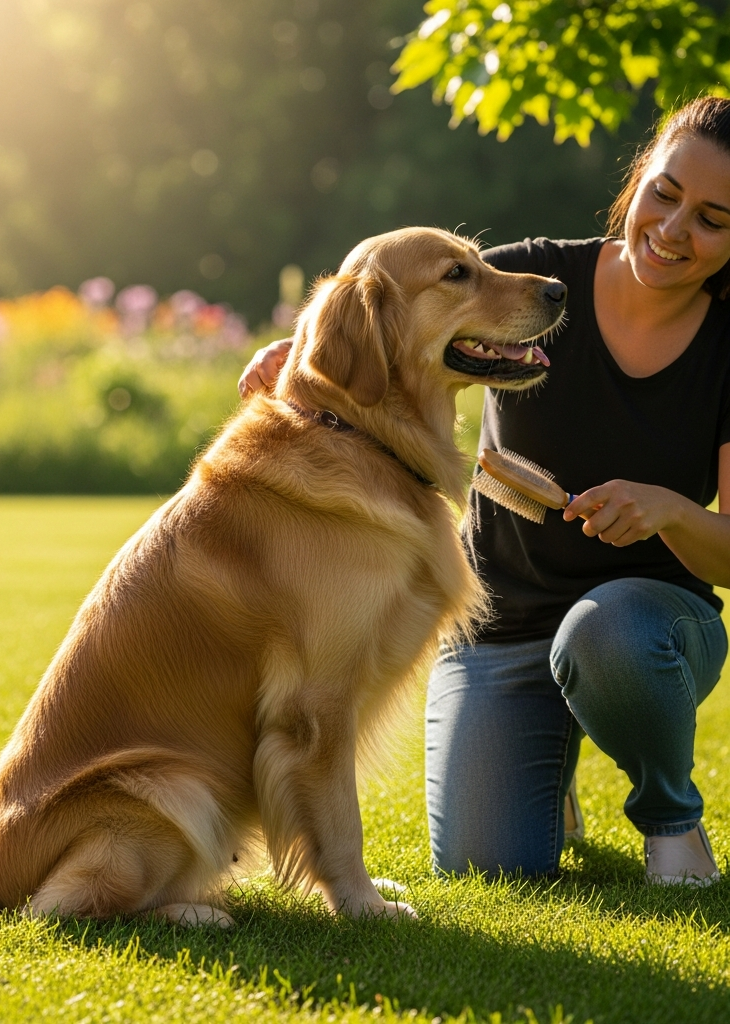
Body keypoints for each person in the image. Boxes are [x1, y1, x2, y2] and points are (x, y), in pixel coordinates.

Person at [239, 96, 730, 885]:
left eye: (712, 219)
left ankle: (671, 818)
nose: (673, 229)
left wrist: (670, 510)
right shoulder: (535, 279)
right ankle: (548, 771)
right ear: (639, 179)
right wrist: (294, 351)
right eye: (664, 194)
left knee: (604, 635)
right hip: (501, 624)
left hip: (648, 629)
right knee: (485, 863)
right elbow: (396, 309)